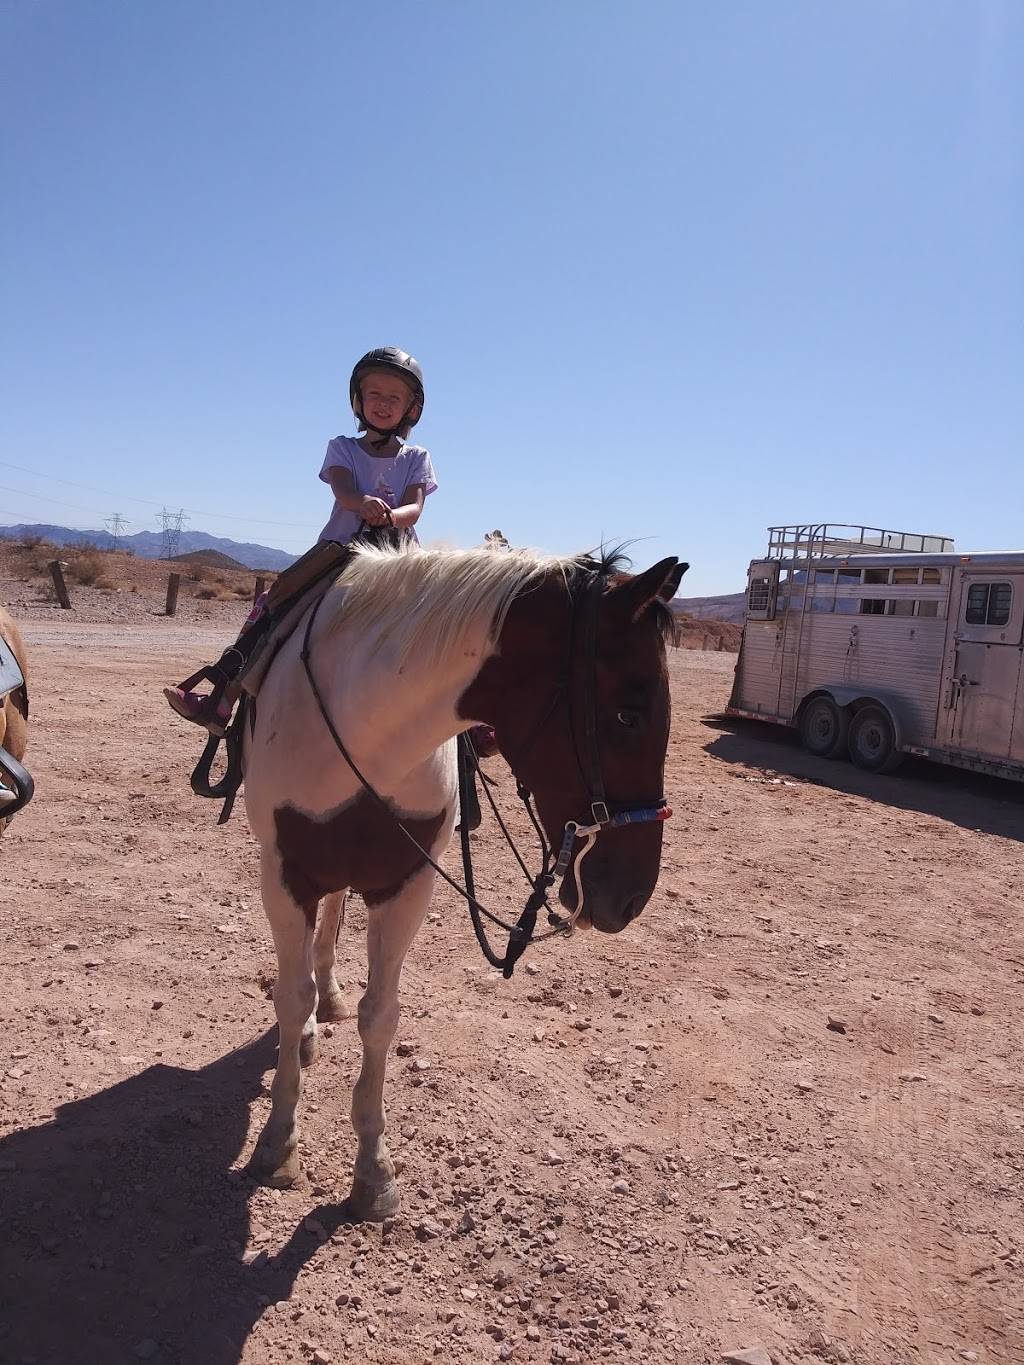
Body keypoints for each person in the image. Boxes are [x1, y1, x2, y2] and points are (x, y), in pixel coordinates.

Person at [163, 347, 436, 734]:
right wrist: (363, 503)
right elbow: (342, 491)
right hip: (338, 551)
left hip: (397, 553)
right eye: (374, 393)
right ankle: (223, 696)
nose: (383, 403)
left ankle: (474, 726)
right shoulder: (342, 447)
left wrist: (391, 515)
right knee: (275, 602)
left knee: (445, 616)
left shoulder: (417, 456)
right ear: (358, 400)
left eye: (395, 397)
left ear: (411, 408)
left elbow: (415, 508)